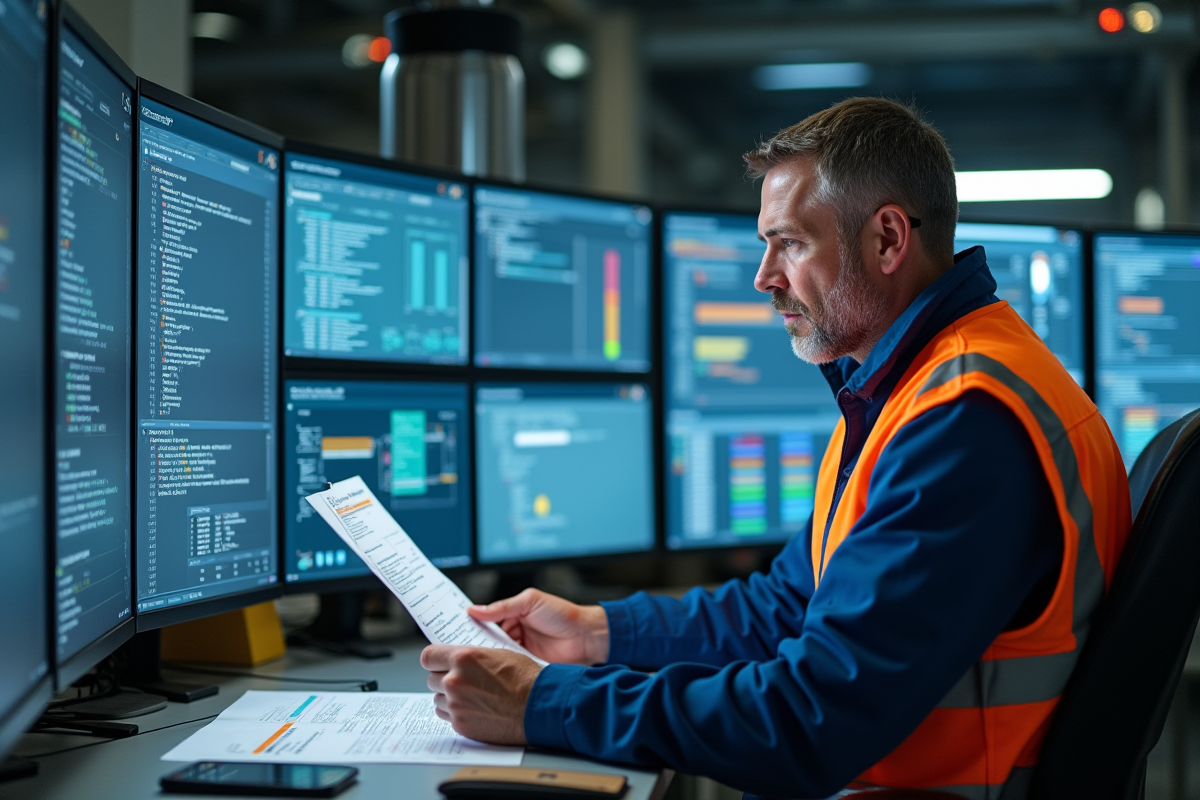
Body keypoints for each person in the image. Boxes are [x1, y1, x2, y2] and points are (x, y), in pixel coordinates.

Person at [421, 97, 1132, 799]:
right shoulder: (908, 388)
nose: (764, 277)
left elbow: (811, 721)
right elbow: (786, 607)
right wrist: (596, 633)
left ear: (887, 239)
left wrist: (545, 703)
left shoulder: (967, 420)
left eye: (789, 242)